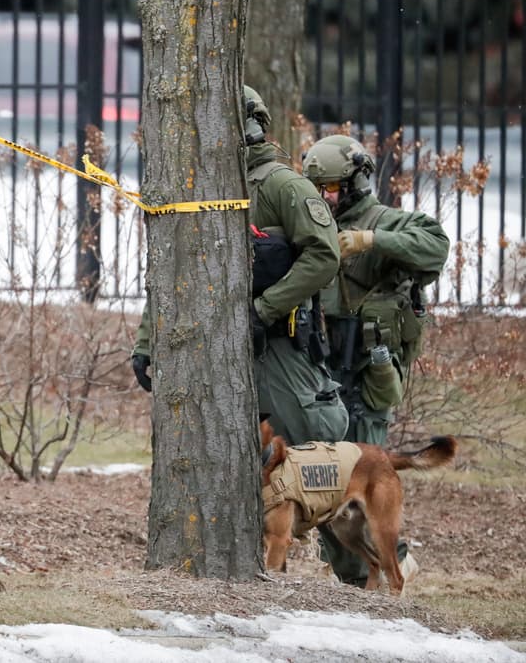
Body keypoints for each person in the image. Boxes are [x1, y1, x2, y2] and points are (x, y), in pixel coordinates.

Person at [133, 86, 348, 447]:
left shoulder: (283, 186)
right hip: (209, 347)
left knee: (301, 447)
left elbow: (324, 256)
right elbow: (171, 270)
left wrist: (262, 310)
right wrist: (147, 342)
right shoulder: (195, 191)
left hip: (278, 347)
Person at [303, 133, 450, 587]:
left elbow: (435, 245)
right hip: (325, 368)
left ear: (355, 182)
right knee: (326, 481)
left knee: (361, 479)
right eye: (318, 189)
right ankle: (356, 568)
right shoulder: (313, 223)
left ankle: (385, 568)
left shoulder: (386, 221)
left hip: (367, 372)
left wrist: (370, 240)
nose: (324, 197)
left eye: (331, 187)